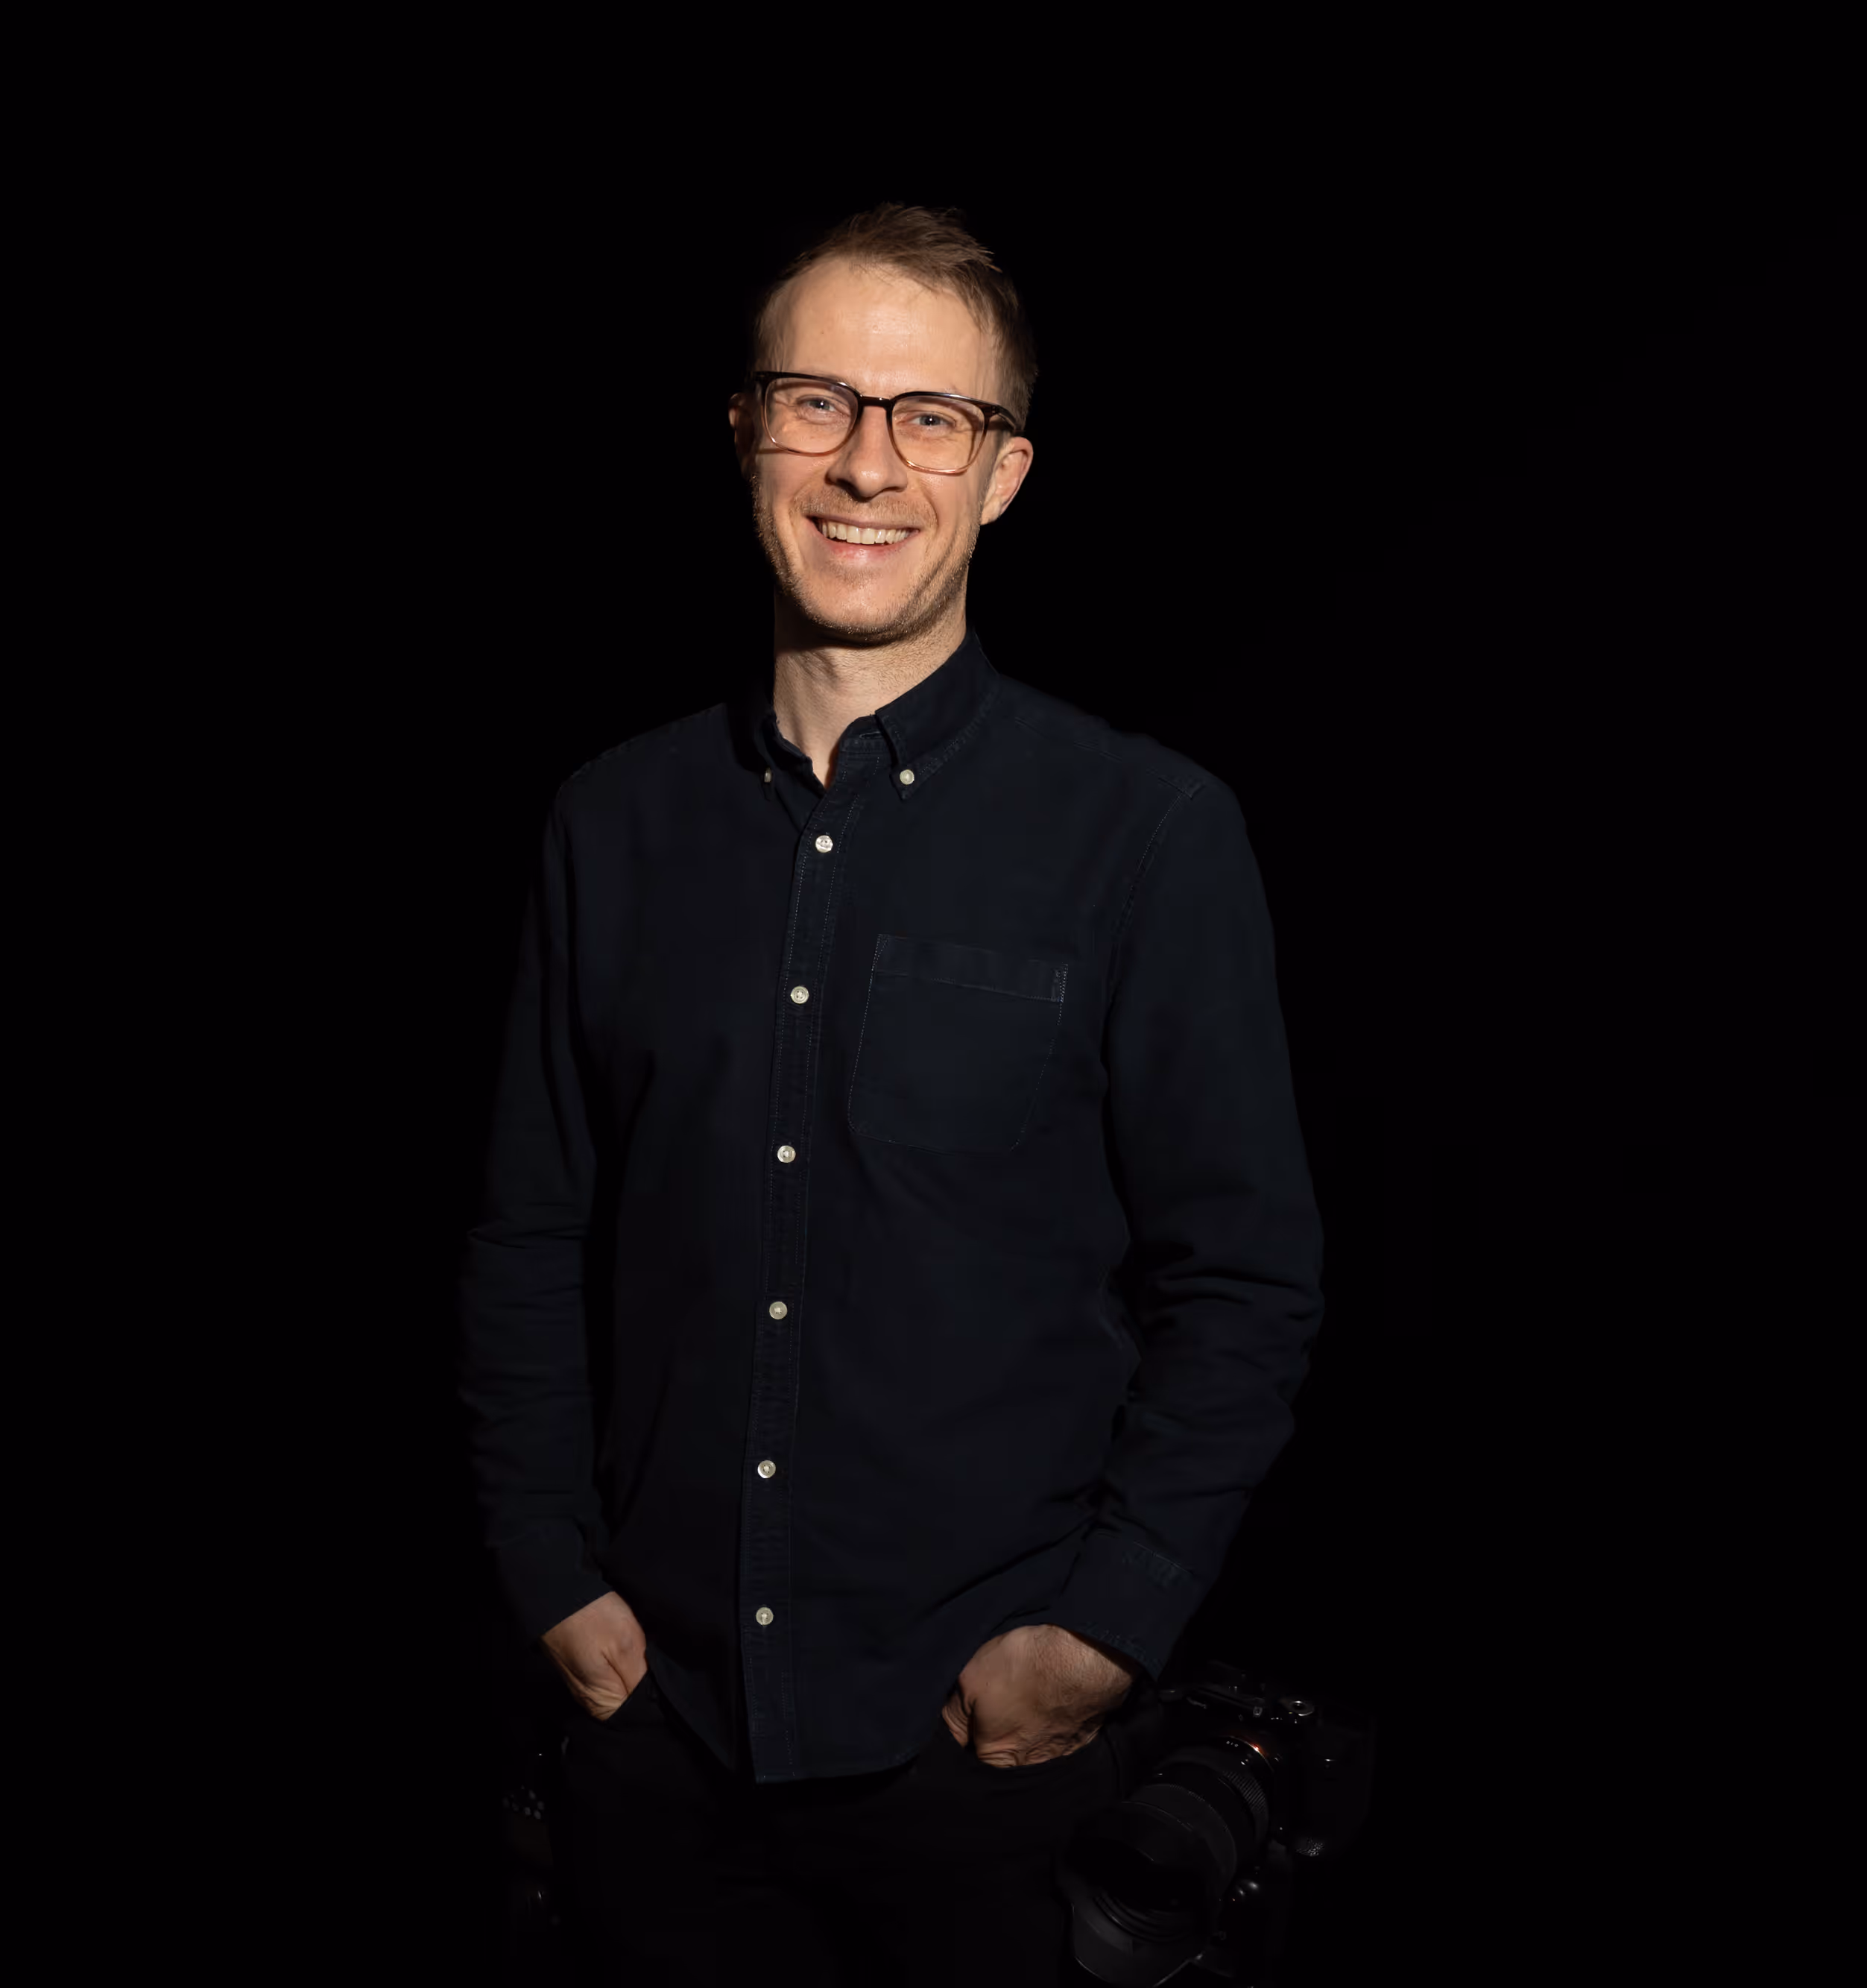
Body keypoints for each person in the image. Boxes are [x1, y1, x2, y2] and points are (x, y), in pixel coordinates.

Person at [456, 203, 1325, 1987]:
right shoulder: (607, 825)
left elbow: (1242, 1279)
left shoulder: (1147, 835)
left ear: (1002, 474)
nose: (866, 464)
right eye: (818, 402)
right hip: (656, 1746)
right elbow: (529, 1233)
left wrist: (1104, 1629)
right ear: (742, 432)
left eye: (931, 416)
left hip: (987, 1771)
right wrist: (547, 1568)